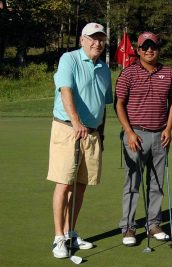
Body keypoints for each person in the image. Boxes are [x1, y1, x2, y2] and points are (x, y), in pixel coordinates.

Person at [47, 22, 113, 258]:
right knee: (64, 183)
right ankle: (58, 238)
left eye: (101, 38)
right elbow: (65, 91)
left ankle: (69, 232)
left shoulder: (104, 68)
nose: (97, 42)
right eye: (92, 38)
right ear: (82, 40)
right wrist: (75, 121)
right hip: (67, 129)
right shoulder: (69, 59)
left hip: (92, 134)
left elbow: (103, 106)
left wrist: (101, 135)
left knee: (82, 184)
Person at [115, 31, 172, 246]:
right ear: (138, 50)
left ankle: (154, 224)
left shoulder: (168, 73)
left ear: (159, 48)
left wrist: (169, 129)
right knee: (132, 183)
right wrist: (129, 132)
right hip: (136, 135)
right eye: (145, 47)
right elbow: (119, 104)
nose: (149, 50)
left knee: (157, 183)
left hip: (160, 135)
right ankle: (129, 227)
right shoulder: (128, 73)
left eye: (153, 46)